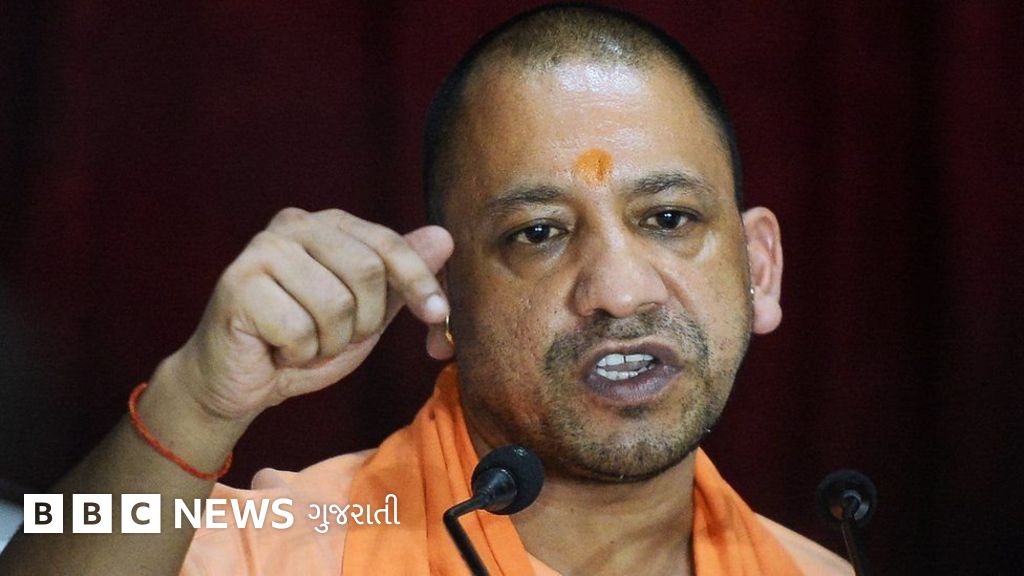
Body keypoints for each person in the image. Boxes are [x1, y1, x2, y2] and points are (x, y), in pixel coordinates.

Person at [0, 5, 851, 575]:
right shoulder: (294, 544)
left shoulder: (816, 569)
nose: (619, 293)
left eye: (667, 218)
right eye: (539, 233)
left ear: (759, 269)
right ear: (441, 300)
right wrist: (194, 401)